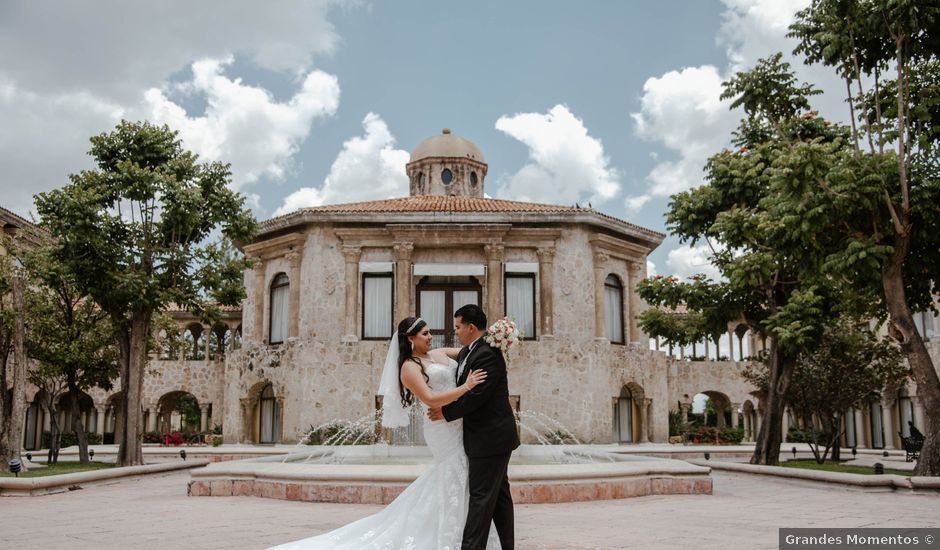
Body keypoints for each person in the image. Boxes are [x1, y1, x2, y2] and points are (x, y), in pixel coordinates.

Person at [268, 316, 500, 550]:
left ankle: (463, 532)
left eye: (430, 333)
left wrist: (500, 338)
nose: (431, 337)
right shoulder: (409, 368)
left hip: (458, 423)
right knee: (452, 471)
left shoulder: (439, 354)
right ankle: (450, 536)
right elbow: (429, 400)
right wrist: (466, 387)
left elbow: (471, 351)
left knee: (463, 475)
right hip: (440, 426)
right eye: (425, 334)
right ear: (411, 338)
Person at [428, 304, 520, 550]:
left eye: (458, 327)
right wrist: (431, 353)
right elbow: (460, 355)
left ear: (470, 327)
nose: (455, 331)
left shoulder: (487, 354)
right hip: (492, 438)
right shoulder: (474, 349)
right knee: (499, 497)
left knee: (481, 497)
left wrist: (444, 412)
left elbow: (476, 396)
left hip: (490, 439)